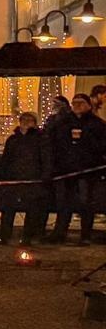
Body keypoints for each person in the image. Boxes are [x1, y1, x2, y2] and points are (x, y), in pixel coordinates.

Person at [49, 93, 106, 244]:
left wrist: (84, 139)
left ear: (88, 105)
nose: (77, 106)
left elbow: (101, 146)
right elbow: (57, 143)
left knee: (85, 203)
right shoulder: (64, 123)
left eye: (81, 103)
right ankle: (60, 232)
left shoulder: (97, 124)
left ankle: (85, 235)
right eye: (75, 103)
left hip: (87, 170)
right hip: (67, 170)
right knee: (65, 203)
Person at [0, 112, 48, 246]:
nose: (26, 123)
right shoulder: (13, 140)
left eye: (29, 120)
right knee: (9, 209)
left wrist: (44, 176)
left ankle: (27, 237)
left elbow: (45, 159)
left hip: (32, 179)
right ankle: (5, 236)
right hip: (14, 179)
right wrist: (3, 175)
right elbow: (6, 159)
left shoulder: (40, 139)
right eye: (23, 120)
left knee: (32, 210)